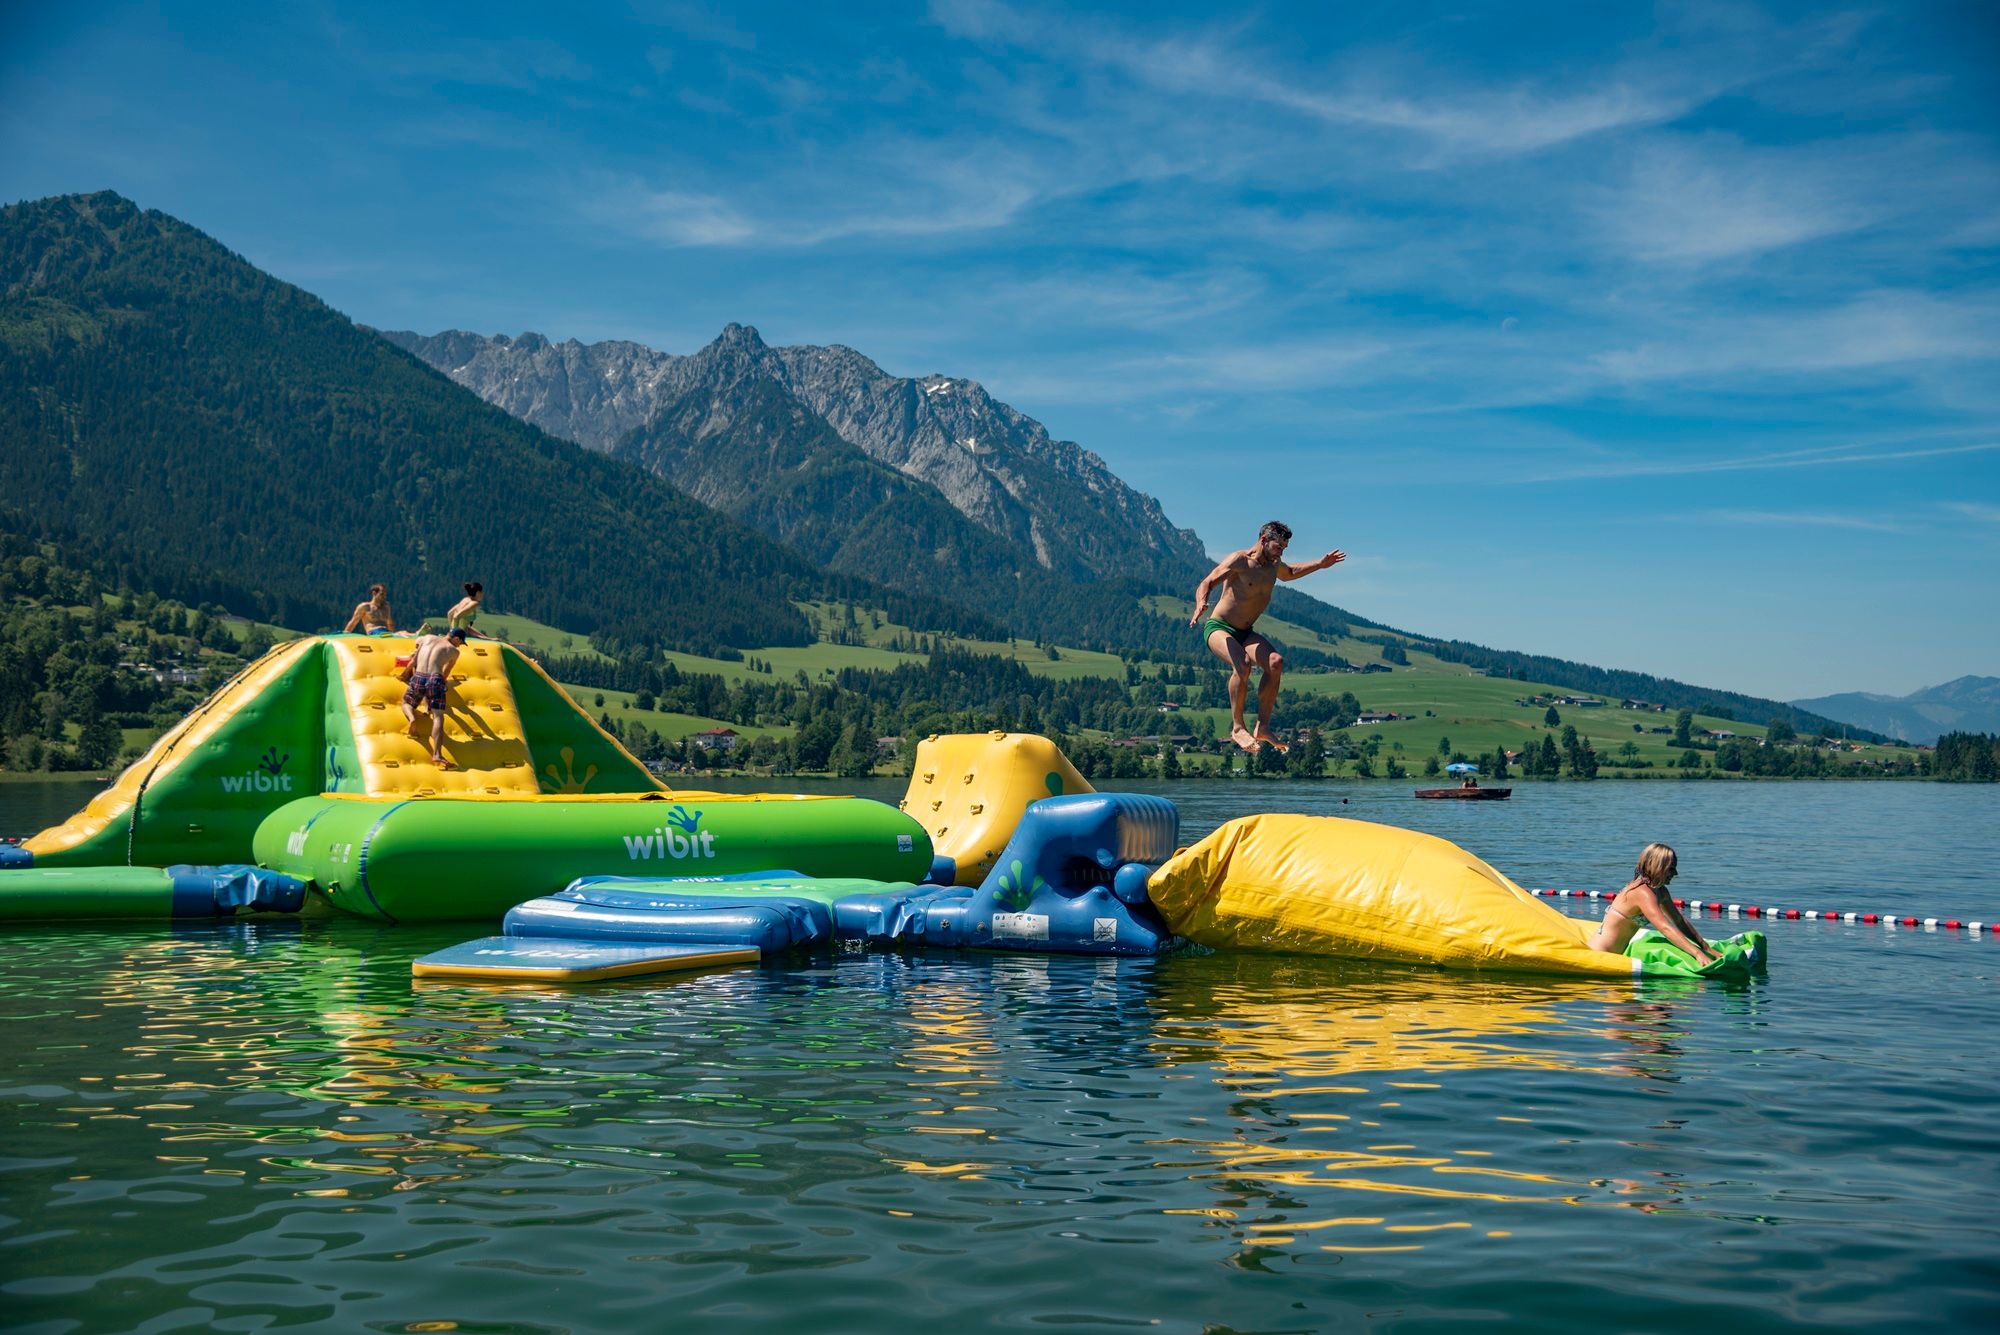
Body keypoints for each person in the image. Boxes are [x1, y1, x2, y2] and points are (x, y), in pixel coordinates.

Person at [1188, 521, 1345, 752]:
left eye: (1284, 548)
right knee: (1242, 664)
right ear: (1263, 540)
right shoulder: (1240, 561)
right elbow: (1207, 582)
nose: (1281, 552)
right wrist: (1201, 602)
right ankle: (1238, 728)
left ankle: (1262, 727)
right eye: (1278, 546)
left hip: (1245, 633)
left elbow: (1290, 573)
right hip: (1218, 628)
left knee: (1275, 662)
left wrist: (1320, 565)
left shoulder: (1274, 565)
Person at [1587, 843, 1720, 966]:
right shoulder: (1641, 893)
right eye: (1671, 869)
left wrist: (1705, 947)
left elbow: (1679, 920)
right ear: (1658, 867)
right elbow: (1664, 927)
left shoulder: (1661, 891)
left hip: (1615, 956)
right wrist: (1697, 954)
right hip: (1599, 954)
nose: (1675, 873)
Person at [401, 628, 465, 768]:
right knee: (438, 716)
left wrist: (404, 673)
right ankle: (437, 754)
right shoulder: (454, 651)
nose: (459, 645)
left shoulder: (426, 638)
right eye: (460, 643)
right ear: (457, 639)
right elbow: (445, 673)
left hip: (419, 675)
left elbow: (414, 660)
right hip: (435, 677)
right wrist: (442, 683)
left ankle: (412, 718)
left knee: (406, 703)